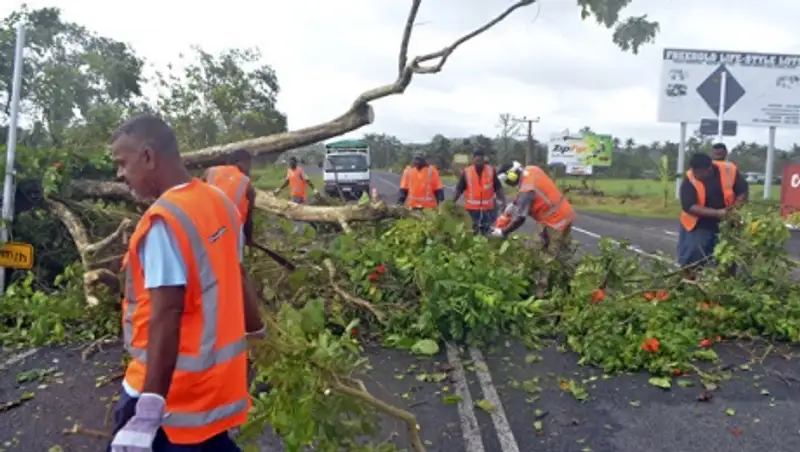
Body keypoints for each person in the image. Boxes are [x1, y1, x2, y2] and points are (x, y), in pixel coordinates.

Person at [108, 114, 265, 452]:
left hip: (169, 397)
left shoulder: (165, 222)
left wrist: (148, 411)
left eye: (123, 163)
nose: (120, 174)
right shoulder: (220, 203)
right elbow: (237, 273)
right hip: (212, 391)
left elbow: (167, 314)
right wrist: (257, 332)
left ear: (148, 157)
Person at [678, 152, 748, 276]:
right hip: (699, 223)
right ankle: (688, 283)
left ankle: (726, 284)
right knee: (694, 255)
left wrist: (736, 208)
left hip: (727, 222)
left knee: (728, 256)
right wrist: (718, 213)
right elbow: (689, 206)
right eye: (695, 172)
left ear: (709, 169)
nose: (696, 175)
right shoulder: (689, 179)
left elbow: (742, 191)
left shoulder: (729, 170)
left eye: (700, 173)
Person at [491, 161, 576, 256]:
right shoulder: (532, 169)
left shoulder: (526, 190)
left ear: (512, 176)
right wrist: (513, 205)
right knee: (562, 250)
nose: (509, 184)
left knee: (541, 252)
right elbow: (531, 193)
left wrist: (503, 232)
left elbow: (520, 218)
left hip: (554, 221)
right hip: (566, 213)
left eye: (507, 181)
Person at [203, 148, 256, 246]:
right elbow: (248, 219)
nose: (249, 169)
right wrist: (248, 239)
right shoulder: (247, 183)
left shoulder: (210, 172)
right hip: (231, 235)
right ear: (244, 163)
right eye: (249, 165)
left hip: (205, 227)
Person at [453, 149, 506, 235]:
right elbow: (459, 189)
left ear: (483, 160)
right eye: (477, 160)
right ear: (473, 159)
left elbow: (498, 187)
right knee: (471, 232)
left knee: (487, 232)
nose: (479, 162)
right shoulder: (467, 172)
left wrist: (503, 201)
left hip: (488, 210)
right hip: (471, 210)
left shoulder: (491, 171)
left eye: (480, 160)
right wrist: (452, 202)